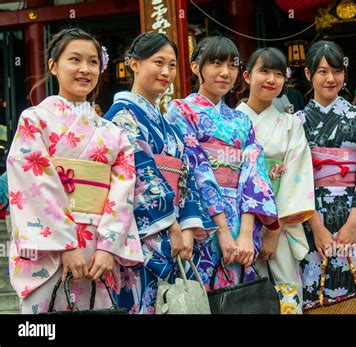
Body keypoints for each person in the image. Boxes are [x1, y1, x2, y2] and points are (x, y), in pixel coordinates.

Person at [7, 28, 143, 313]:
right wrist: (67, 246)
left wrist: (108, 249)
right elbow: (34, 185)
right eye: (75, 60)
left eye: (93, 62)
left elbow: (123, 193)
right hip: (49, 250)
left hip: (97, 253)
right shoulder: (35, 120)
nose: (85, 69)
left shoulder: (114, 133)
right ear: (53, 66)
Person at [103, 32, 212, 314]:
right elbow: (139, 172)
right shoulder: (121, 116)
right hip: (142, 236)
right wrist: (172, 226)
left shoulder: (168, 126)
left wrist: (188, 226)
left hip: (173, 233)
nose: (166, 72)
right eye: (158, 62)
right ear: (134, 63)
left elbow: (185, 176)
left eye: (173, 65)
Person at [166, 36, 279, 289]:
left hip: (241, 218)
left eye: (232, 65)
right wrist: (223, 231)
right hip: (201, 223)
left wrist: (247, 234)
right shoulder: (181, 110)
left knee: (239, 298)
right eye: (216, 64)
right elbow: (196, 170)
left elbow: (254, 175)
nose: (225, 73)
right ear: (196, 67)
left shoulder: (241, 120)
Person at [296, 41, 356, 307]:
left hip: (352, 218)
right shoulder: (295, 122)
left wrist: (353, 223)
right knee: (315, 295)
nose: (330, 78)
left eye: (336, 71)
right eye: (322, 72)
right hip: (312, 221)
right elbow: (294, 180)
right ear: (308, 74)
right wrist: (316, 226)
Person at [236, 47, 314, 313]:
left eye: (278, 74)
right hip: (239, 225)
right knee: (244, 296)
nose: (271, 79)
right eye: (264, 71)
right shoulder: (231, 122)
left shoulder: (291, 123)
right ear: (246, 76)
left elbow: (296, 177)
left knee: (287, 294)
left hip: (279, 223)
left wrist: (273, 228)